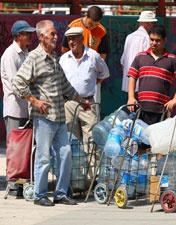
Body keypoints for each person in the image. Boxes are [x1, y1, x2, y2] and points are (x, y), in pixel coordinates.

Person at [12, 20, 91, 207]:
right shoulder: (33, 58)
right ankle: (40, 195)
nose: (56, 37)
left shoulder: (54, 57)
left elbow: (64, 85)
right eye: (52, 34)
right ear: (42, 37)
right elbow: (17, 83)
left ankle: (61, 193)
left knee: (66, 155)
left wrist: (82, 101)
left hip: (60, 117)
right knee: (43, 157)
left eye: (56, 34)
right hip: (44, 118)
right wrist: (34, 101)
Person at [127, 24, 176, 135]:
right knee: (140, 143)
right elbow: (132, 76)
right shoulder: (140, 57)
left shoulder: (172, 59)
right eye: (152, 39)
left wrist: (175, 100)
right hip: (141, 109)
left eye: (157, 40)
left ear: (164, 40)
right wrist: (131, 97)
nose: (154, 43)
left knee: (158, 146)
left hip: (161, 111)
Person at [59, 27, 109, 159]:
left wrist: (90, 84)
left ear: (82, 39)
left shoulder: (93, 56)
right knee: (71, 139)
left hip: (88, 102)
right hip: (69, 104)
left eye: (74, 38)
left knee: (91, 139)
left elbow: (104, 74)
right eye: (69, 39)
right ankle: (74, 176)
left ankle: (91, 177)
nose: (71, 42)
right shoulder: (63, 59)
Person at [0, 20, 35, 197]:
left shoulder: (26, 52)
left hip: (26, 107)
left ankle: (21, 182)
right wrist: (34, 98)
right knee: (14, 147)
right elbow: (16, 84)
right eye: (27, 33)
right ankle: (13, 185)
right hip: (15, 108)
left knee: (24, 148)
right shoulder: (10, 55)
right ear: (19, 35)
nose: (30, 36)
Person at [61, 5, 110, 113]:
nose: (93, 27)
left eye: (96, 24)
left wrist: (94, 77)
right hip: (73, 72)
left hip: (91, 71)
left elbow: (103, 54)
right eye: (91, 24)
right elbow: (64, 50)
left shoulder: (101, 31)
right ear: (86, 16)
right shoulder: (74, 25)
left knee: (92, 109)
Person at [120, 10, 157, 92]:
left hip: (129, 84)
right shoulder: (147, 39)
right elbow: (150, 61)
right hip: (142, 84)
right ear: (149, 23)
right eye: (153, 23)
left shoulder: (129, 37)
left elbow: (123, 62)